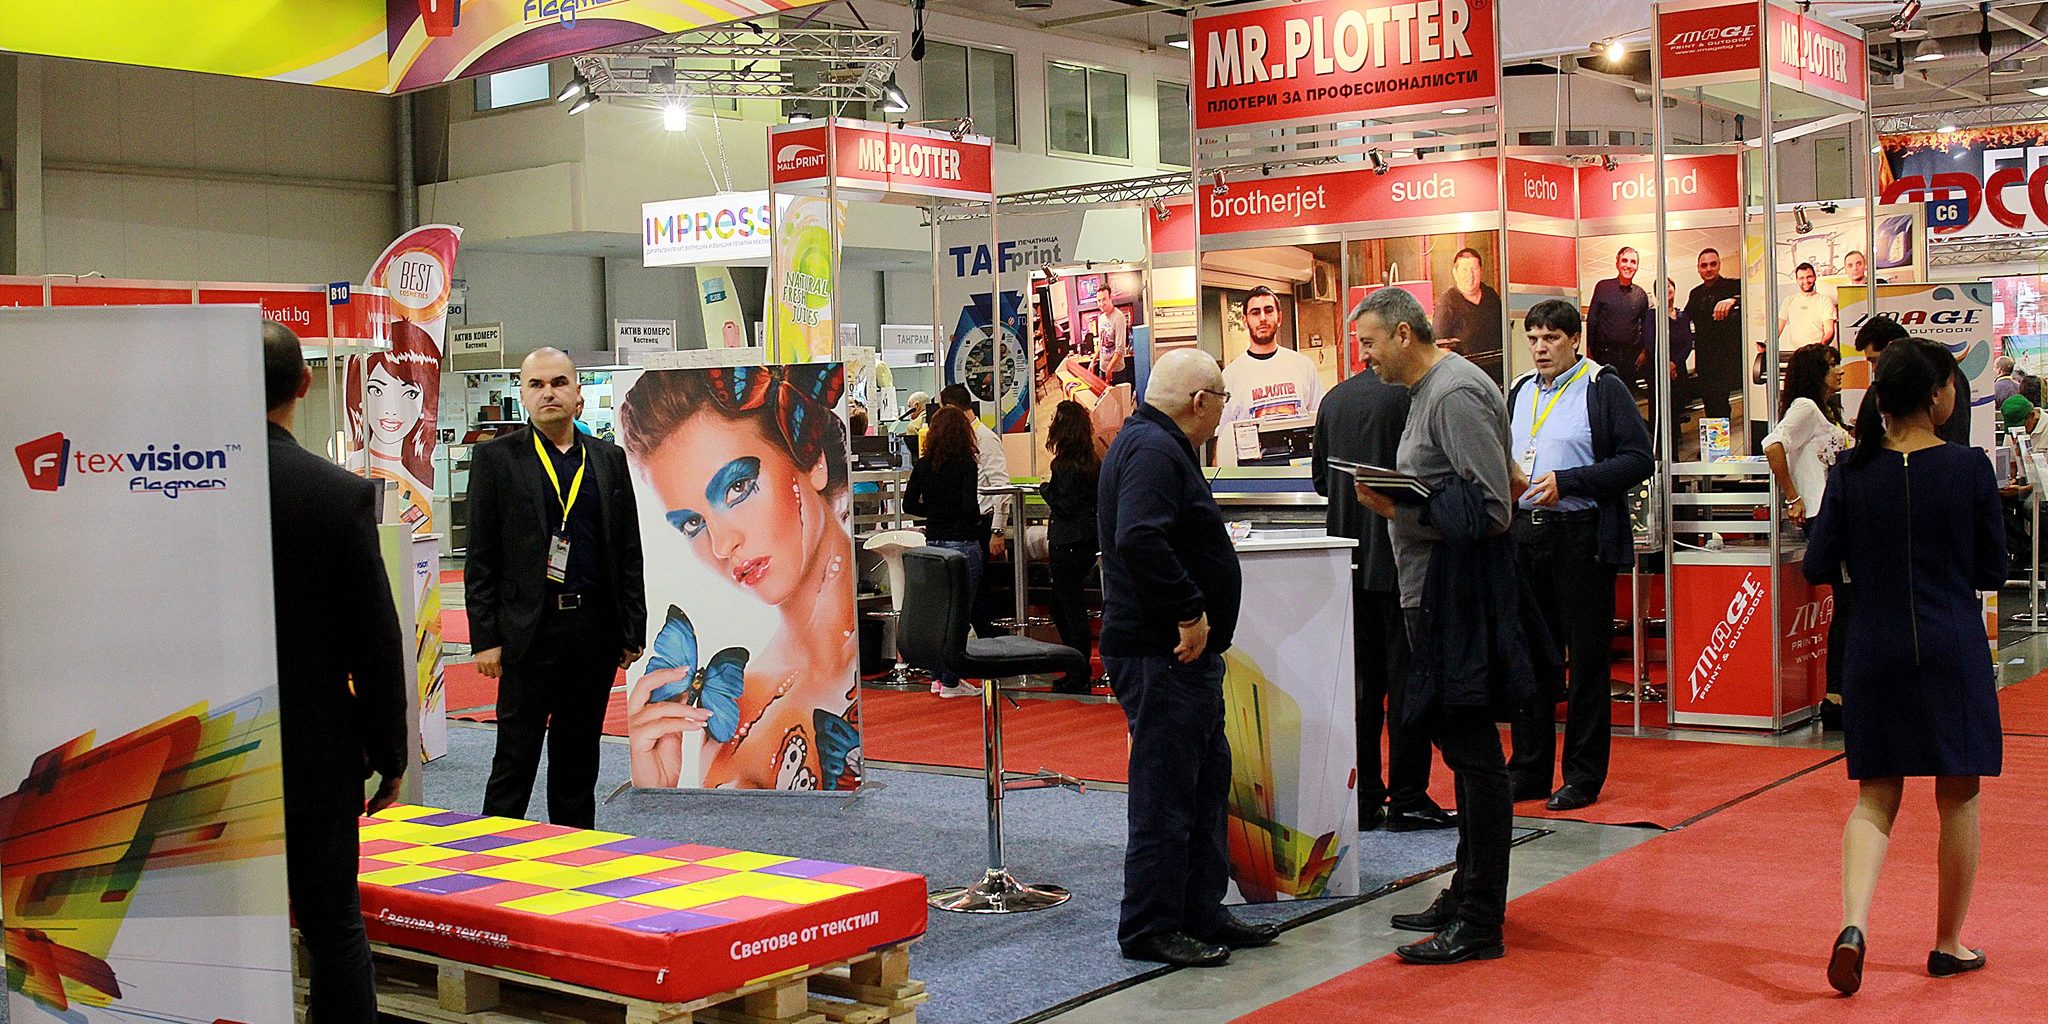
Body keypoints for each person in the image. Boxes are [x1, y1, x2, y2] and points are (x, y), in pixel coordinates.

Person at [1804, 338, 2005, 996]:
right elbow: (1992, 568)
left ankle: (1854, 925)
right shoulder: (1970, 468)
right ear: (1938, 396)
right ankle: (1948, 943)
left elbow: (1817, 563)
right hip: (1952, 645)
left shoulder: (1850, 472)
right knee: (1959, 794)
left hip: (1874, 646)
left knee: (1875, 795)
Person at [1351, 286, 1540, 965]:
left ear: (1404, 333)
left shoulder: (1454, 392)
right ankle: (1466, 893)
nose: (1365, 356)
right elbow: (1500, 478)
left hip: (1453, 600)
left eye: (1370, 342)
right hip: (1433, 595)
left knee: (1473, 754)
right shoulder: (1431, 392)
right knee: (1462, 751)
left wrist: (1395, 508)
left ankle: (1481, 917)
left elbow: (1492, 507)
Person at [1100, 348, 1274, 968]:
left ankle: (1200, 908)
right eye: (1222, 400)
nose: (1223, 413)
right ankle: (1151, 925)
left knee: (1202, 785)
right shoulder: (1153, 449)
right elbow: (1139, 536)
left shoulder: (1153, 444)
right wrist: (1188, 609)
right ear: (1200, 401)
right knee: (1167, 793)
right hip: (1162, 650)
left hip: (1177, 657)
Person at [618, 364, 866, 788]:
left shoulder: (895, 661)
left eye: (737, 488)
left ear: (814, 461)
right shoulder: (733, 711)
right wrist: (658, 788)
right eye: (692, 524)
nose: (721, 544)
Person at [263, 320, 409, 1021]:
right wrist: (390, 754)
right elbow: (375, 641)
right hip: (311, 747)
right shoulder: (336, 494)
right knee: (332, 924)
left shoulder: (174, 488)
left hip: (200, 750)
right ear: (304, 384)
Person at [467, 347, 647, 827]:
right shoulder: (496, 459)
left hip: (593, 630)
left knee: (578, 758)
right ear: (523, 395)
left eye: (559, 383)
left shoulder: (608, 459)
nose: (549, 393)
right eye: (537, 384)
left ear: (577, 394)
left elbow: (628, 550)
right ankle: (491, 853)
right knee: (515, 757)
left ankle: (574, 852)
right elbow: (481, 556)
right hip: (528, 632)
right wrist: (485, 638)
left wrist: (632, 627)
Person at [1503, 300, 1654, 811]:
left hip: (1580, 535)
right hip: (1526, 535)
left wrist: (1570, 481)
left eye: (1551, 338)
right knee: (1530, 660)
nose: (1540, 348)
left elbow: (1638, 459)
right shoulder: (1520, 391)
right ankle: (1529, 769)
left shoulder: (1601, 386)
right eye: (1533, 338)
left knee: (1586, 661)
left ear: (1575, 339)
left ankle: (1582, 775)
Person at [1312, 350, 1452, 832]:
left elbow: (1322, 482)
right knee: (1407, 681)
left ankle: (1365, 795)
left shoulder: (1334, 400)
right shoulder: (1411, 398)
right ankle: (1408, 795)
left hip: (1348, 561)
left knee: (1362, 689)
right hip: (1400, 560)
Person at [1762, 344, 1852, 726]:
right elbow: (1772, 445)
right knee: (1848, 604)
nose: (1840, 371)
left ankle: (1840, 694)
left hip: (1835, 514)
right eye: (1833, 365)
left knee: (1849, 605)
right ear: (1816, 371)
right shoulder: (1805, 407)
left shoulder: (1826, 410)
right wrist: (1793, 496)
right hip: (1823, 516)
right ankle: (1836, 697)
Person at [904, 405, 988, 699]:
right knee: (960, 613)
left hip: (934, 542)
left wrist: (934, 512)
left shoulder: (923, 465)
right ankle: (952, 679)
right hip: (962, 542)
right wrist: (976, 522)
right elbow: (969, 508)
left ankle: (937, 677)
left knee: (938, 614)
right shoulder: (966, 465)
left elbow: (908, 504)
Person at [344, 319, 440, 534]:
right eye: (376, 390)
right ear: (359, 398)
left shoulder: (422, 483)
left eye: (410, 394)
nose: (391, 410)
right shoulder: (350, 474)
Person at [938, 383, 1011, 634]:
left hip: (984, 525)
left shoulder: (986, 439)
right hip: (968, 526)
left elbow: (1001, 487)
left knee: (982, 596)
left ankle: (995, 645)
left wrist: (997, 530)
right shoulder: (962, 440)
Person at [1042, 400, 1102, 695]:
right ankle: (1078, 668)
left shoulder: (1063, 465)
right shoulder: (1093, 461)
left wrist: (1046, 490)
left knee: (1066, 608)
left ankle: (1077, 670)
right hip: (1087, 540)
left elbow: (1064, 505)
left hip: (1066, 541)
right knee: (1071, 607)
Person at [1855, 317, 1973, 447]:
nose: (1874, 369)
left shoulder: (1941, 374)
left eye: (1875, 360)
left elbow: (1957, 432)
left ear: (1892, 348)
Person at [1221, 285, 1323, 427]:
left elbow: (1319, 422)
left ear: (1279, 317)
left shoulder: (1304, 366)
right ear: (1245, 321)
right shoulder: (1230, 377)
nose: (1263, 318)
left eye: (1268, 311)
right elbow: (1222, 434)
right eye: (1255, 313)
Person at [1684, 248, 1744, 422]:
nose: (1708, 269)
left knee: (1721, 406)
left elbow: (1754, 295)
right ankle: (1714, 440)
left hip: (1727, 361)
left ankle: (1718, 441)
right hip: (1705, 363)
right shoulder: (1695, 293)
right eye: (1704, 265)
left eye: (1712, 264)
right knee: (1710, 406)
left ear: (1719, 265)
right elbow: (1685, 318)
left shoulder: (1734, 286)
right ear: (1698, 268)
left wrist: (1733, 300)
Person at [1432, 248, 1505, 379]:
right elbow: (1441, 349)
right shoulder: (1446, 303)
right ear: (1455, 273)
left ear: (1481, 271)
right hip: (1465, 377)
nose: (1470, 275)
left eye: (1474, 269)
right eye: (1464, 270)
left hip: (1498, 373)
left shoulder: (1491, 295)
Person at [1587, 247, 1650, 386]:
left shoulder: (1641, 294)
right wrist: (1589, 352)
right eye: (1624, 260)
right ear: (1617, 263)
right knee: (1604, 393)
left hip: (1631, 359)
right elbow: (1592, 321)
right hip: (1604, 356)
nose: (1628, 265)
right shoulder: (1602, 287)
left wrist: (1644, 352)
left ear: (1637, 266)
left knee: (1627, 394)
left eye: (1633, 262)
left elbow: (1647, 327)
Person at [1778, 262, 1839, 355]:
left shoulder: (1824, 301)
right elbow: (1778, 329)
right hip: (1795, 355)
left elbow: (1829, 331)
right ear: (1797, 280)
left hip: (1818, 355)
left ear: (1815, 277)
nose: (1806, 281)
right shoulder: (1789, 301)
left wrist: (1819, 348)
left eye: (1809, 277)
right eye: (1801, 278)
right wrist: (1766, 344)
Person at [1093, 284, 1134, 387]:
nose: (1101, 303)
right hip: (1103, 369)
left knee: (1117, 397)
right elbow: (1101, 343)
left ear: (1110, 298)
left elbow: (1120, 349)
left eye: (1104, 299)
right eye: (1098, 300)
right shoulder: (1101, 318)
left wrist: (1109, 369)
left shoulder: (1119, 317)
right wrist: (1093, 361)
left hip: (1116, 372)